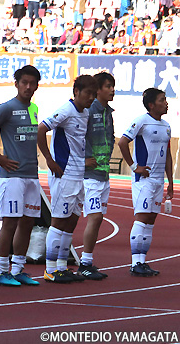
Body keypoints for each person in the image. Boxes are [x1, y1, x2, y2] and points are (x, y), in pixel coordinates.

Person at [0, 65, 42, 286]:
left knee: (27, 223)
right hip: (12, 176)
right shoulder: (7, 108)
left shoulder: (34, 108)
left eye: (32, 83)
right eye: (24, 82)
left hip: (32, 175)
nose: (28, 87)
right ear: (16, 84)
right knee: (10, 223)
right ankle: (2, 271)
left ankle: (18, 269)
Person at [38, 75, 97, 283]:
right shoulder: (65, 111)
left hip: (78, 175)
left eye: (94, 94)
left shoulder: (85, 113)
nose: (91, 97)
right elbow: (41, 129)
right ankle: (50, 269)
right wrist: (49, 160)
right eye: (88, 93)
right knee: (58, 221)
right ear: (76, 92)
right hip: (64, 174)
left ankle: (62, 266)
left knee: (72, 221)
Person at [118, 88, 173, 277]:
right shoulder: (141, 121)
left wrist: (170, 181)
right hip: (144, 180)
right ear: (151, 104)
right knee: (142, 219)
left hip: (158, 181)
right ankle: (135, 263)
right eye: (162, 100)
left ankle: (142, 261)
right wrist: (134, 167)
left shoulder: (167, 126)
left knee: (150, 221)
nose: (166, 103)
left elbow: (168, 155)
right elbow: (122, 142)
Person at [78, 72, 115, 281]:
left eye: (113, 86)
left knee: (97, 218)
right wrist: (83, 159)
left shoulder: (108, 112)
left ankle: (84, 261)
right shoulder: (88, 111)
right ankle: (84, 263)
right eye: (108, 86)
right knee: (95, 216)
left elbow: (110, 137)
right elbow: (77, 136)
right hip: (89, 174)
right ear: (97, 90)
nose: (112, 90)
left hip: (103, 172)